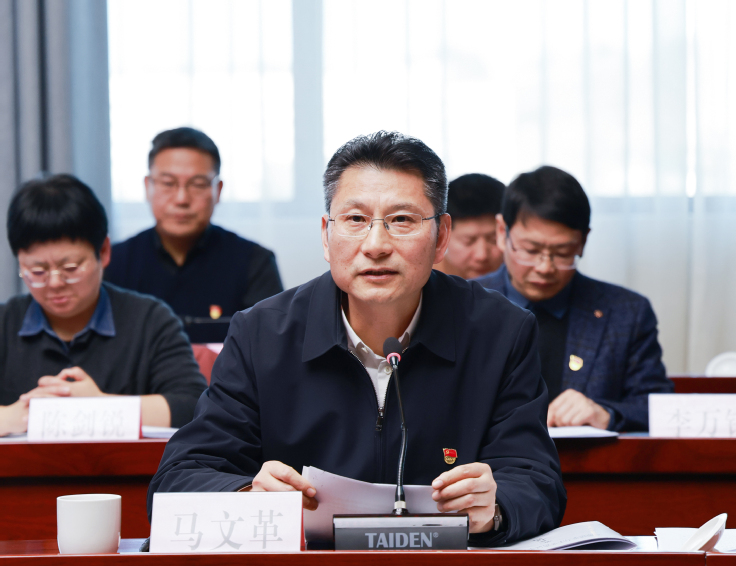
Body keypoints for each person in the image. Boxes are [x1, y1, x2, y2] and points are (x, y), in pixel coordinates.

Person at [148, 131, 566, 546]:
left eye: (402, 220)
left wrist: (496, 507)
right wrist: (248, 497)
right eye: (355, 220)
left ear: (441, 237)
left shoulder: (500, 332)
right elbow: (179, 478)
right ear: (326, 235)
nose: (376, 244)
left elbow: (536, 480)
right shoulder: (262, 334)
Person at [0, 175, 208, 436]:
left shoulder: (150, 320)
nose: (55, 283)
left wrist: (99, 406)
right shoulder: (4, 323)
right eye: (37, 270)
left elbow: (193, 405)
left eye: (70, 268)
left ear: (104, 252)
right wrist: (14, 415)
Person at [475, 165, 674, 432]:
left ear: (583, 241)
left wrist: (606, 413)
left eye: (563, 253)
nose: (545, 267)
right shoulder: (462, 305)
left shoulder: (627, 313)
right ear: (502, 232)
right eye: (531, 250)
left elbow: (658, 407)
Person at [104, 127, 283, 343]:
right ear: (147, 187)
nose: (181, 199)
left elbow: (271, 349)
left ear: (218, 190)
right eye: (168, 183)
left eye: (197, 184)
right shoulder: (113, 263)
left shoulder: (254, 262)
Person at [435, 173, 505, 279]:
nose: (482, 256)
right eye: (468, 241)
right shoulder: (422, 283)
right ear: (442, 236)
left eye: (494, 240)